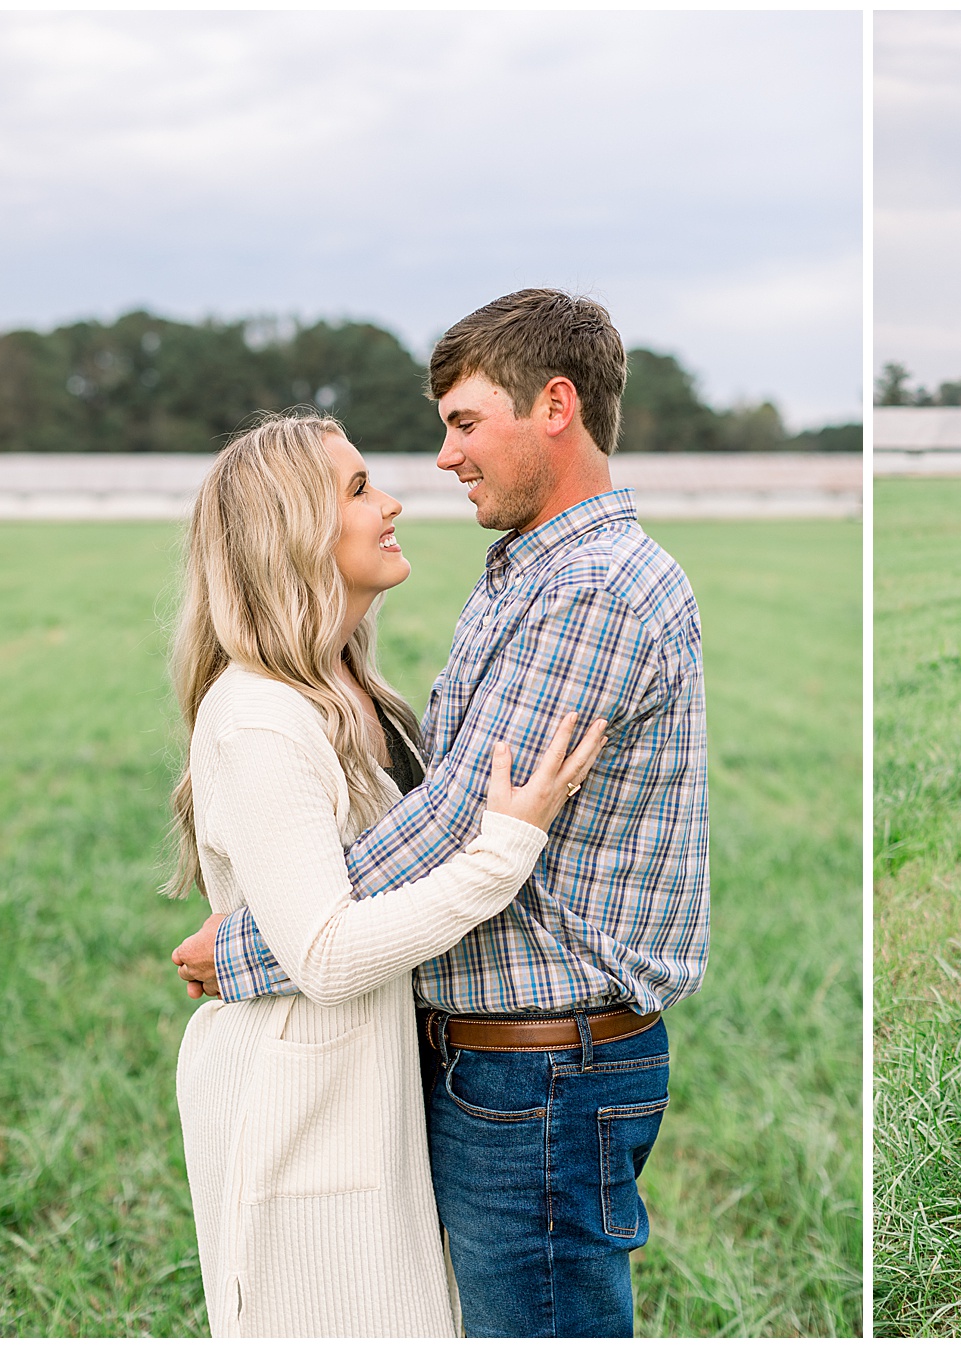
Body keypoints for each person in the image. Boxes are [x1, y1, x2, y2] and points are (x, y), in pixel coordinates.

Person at [172, 289, 711, 1336]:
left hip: (543, 1065)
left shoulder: (591, 584)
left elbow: (459, 819)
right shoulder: (529, 573)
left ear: (554, 406)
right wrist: (292, 934)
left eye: (464, 422)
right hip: (506, 1062)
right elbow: (454, 813)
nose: (444, 459)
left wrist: (253, 948)